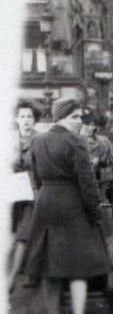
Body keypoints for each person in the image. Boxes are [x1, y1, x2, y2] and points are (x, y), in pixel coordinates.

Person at [23, 98, 112, 314]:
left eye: (80, 116)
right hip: (73, 203)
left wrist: (45, 192)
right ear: (61, 117)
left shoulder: (37, 140)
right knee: (77, 267)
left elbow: (34, 176)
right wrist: (96, 214)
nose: (80, 121)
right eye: (75, 117)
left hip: (45, 202)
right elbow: (88, 183)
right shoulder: (75, 141)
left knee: (47, 265)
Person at [8, 100, 41, 293]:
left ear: (34, 119)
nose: (26, 120)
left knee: (23, 235)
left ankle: (12, 279)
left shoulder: (39, 139)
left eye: (29, 116)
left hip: (33, 193)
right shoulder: (9, 140)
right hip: (12, 194)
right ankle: (32, 271)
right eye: (22, 116)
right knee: (18, 235)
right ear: (16, 118)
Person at [80, 113, 113, 202]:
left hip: (101, 185)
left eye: (92, 125)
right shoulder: (75, 142)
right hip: (80, 186)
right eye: (86, 124)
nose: (90, 127)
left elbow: (112, 162)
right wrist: (92, 163)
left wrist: (101, 165)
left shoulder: (104, 141)